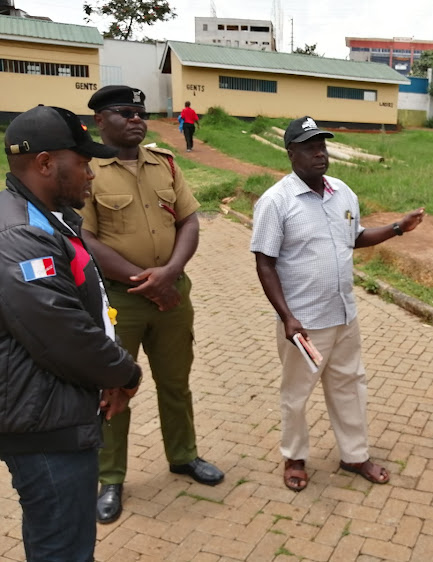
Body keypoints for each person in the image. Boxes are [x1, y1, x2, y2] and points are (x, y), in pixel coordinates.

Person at [251, 116, 425, 491]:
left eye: (322, 145)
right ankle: (294, 458)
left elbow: (355, 237)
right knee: (296, 394)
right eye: (310, 146)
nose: (319, 152)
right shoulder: (276, 202)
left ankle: (355, 455)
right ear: (291, 152)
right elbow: (264, 262)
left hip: (344, 315)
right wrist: (287, 317)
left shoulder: (342, 192)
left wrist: (396, 228)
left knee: (350, 385)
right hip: (304, 323)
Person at [0, 105, 142, 560]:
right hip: (46, 426)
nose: (91, 174)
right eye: (81, 162)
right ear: (44, 163)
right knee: (63, 550)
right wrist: (126, 373)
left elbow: (85, 308)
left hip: (56, 411)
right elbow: (62, 331)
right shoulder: (21, 233)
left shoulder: (48, 217)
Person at [79, 85, 224, 525]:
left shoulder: (165, 164)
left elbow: (189, 221)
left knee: (176, 383)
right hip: (121, 302)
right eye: (124, 112)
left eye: (140, 112)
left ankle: (183, 456)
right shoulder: (87, 171)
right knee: (114, 389)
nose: (137, 119)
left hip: (173, 295)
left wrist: (170, 273)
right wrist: (146, 281)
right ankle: (111, 478)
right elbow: (84, 239)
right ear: (100, 122)